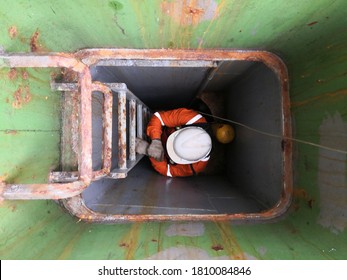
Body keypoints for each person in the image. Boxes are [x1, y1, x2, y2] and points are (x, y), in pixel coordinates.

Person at [135, 108, 212, 177]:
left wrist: (150, 152)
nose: (169, 148)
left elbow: (168, 171)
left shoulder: (196, 167)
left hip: (161, 154)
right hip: (162, 133)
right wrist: (155, 139)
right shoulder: (192, 119)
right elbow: (159, 117)